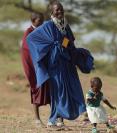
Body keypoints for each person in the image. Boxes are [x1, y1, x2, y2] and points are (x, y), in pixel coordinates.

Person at [26, 1, 94, 130]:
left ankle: (59, 121)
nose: (59, 12)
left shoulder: (65, 26)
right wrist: (47, 49)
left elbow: (68, 41)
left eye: (61, 9)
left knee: (69, 89)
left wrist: (66, 46)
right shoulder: (48, 25)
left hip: (66, 62)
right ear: (52, 12)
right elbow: (31, 38)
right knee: (58, 92)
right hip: (55, 64)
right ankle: (52, 121)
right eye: (57, 10)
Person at [20, 12, 50, 127]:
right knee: (36, 90)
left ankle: (54, 118)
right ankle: (37, 119)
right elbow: (27, 50)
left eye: (42, 20)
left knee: (50, 91)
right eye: (39, 21)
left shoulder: (43, 31)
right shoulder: (29, 32)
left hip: (45, 66)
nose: (42, 23)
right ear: (33, 21)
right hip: (35, 68)